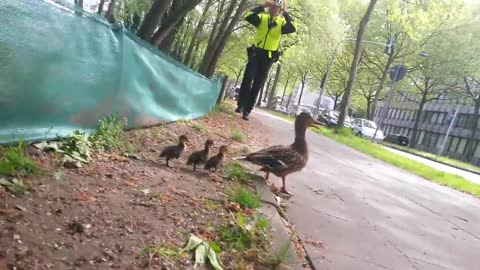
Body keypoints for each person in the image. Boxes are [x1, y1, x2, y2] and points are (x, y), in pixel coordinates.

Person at [235, 0, 296, 120]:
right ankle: (241, 104)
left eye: (276, 8)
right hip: (255, 53)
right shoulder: (262, 18)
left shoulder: (281, 24)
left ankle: (247, 110)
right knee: (248, 77)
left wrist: (286, 13)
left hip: (268, 57)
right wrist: (262, 6)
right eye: (272, 7)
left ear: (279, 11)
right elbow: (247, 15)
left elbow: (293, 27)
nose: (274, 10)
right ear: (269, 7)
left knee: (257, 83)